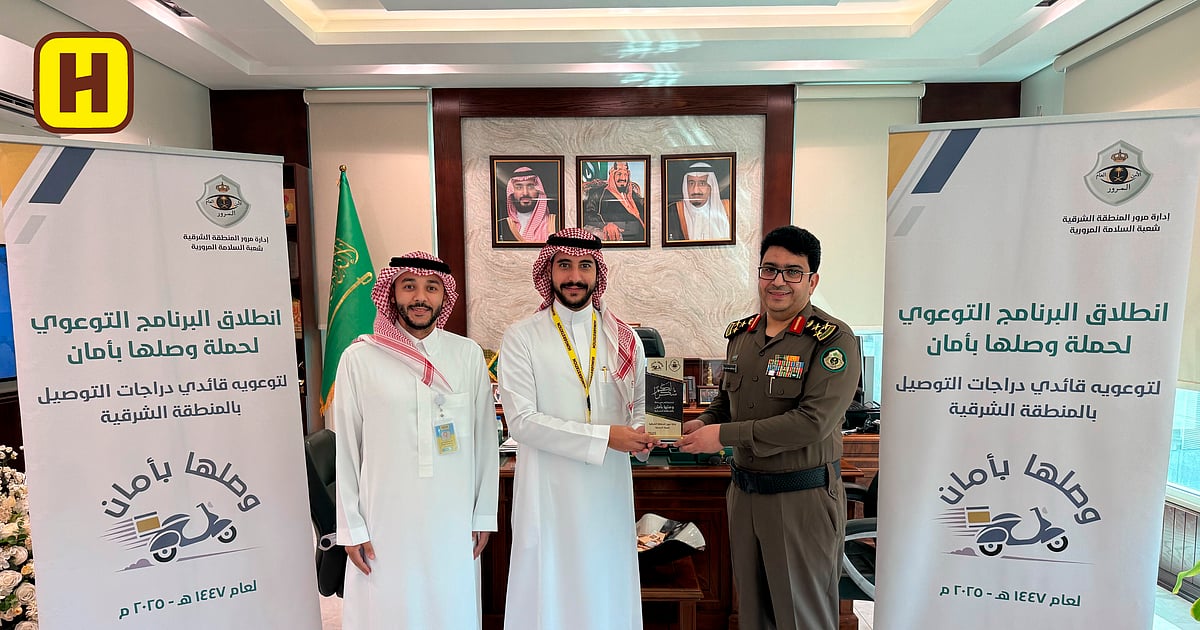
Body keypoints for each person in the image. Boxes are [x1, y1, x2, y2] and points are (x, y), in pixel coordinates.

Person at [676, 226, 861, 630]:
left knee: (801, 617)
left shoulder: (833, 340)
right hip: (745, 495)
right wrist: (703, 421)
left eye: (793, 272)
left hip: (801, 498)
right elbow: (726, 403)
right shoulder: (742, 336)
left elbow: (812, 423)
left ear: (812, 281)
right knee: (753, 616)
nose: (778, 281)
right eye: (770, 269)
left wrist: (722, 436)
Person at [498, 227, 656, 630]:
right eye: (564, 265)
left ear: (597, 273)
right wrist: (606, 437)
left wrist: (644, 433)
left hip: (607, 489)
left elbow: (640, 404)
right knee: (550, 589)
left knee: (605, 583)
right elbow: (523, 423)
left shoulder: (624, 338)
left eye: (585, 266)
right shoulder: (521, 337)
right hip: (548, 491)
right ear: (548, 271)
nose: (574, 276)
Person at [334, 252, 499, 630]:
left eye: (431, 288)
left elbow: (485, 443)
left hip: (452, 519)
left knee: (450, 609)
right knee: (388, 611)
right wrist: (351, 528)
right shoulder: (359, 358)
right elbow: (347, 451)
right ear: (392, 293)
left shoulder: (467, 355)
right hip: (384, 522)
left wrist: (483, 514)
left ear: (445, 297)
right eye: (409, 286)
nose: (420, 297)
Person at [665, 161, 732, 242]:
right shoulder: (672, 211)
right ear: (686, 186)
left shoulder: (728, 209)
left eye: (702, 183)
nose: (695, 190)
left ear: (711, 186)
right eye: (691, 183)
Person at [582, 161, 646, 242]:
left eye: (625, 174)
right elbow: (588, 214)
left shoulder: (632, 194)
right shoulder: (599, 193)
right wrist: (605, 225)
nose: (623, 178)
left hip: (641, 238)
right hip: (619, 238)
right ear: (612, 175)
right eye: (619, 174)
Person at [497, 166, 557, 243]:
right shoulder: (501, 226)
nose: (525, 193)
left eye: (531, 187)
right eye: (519, 187)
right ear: (512, 192)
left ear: (538, 191)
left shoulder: (555, 223)